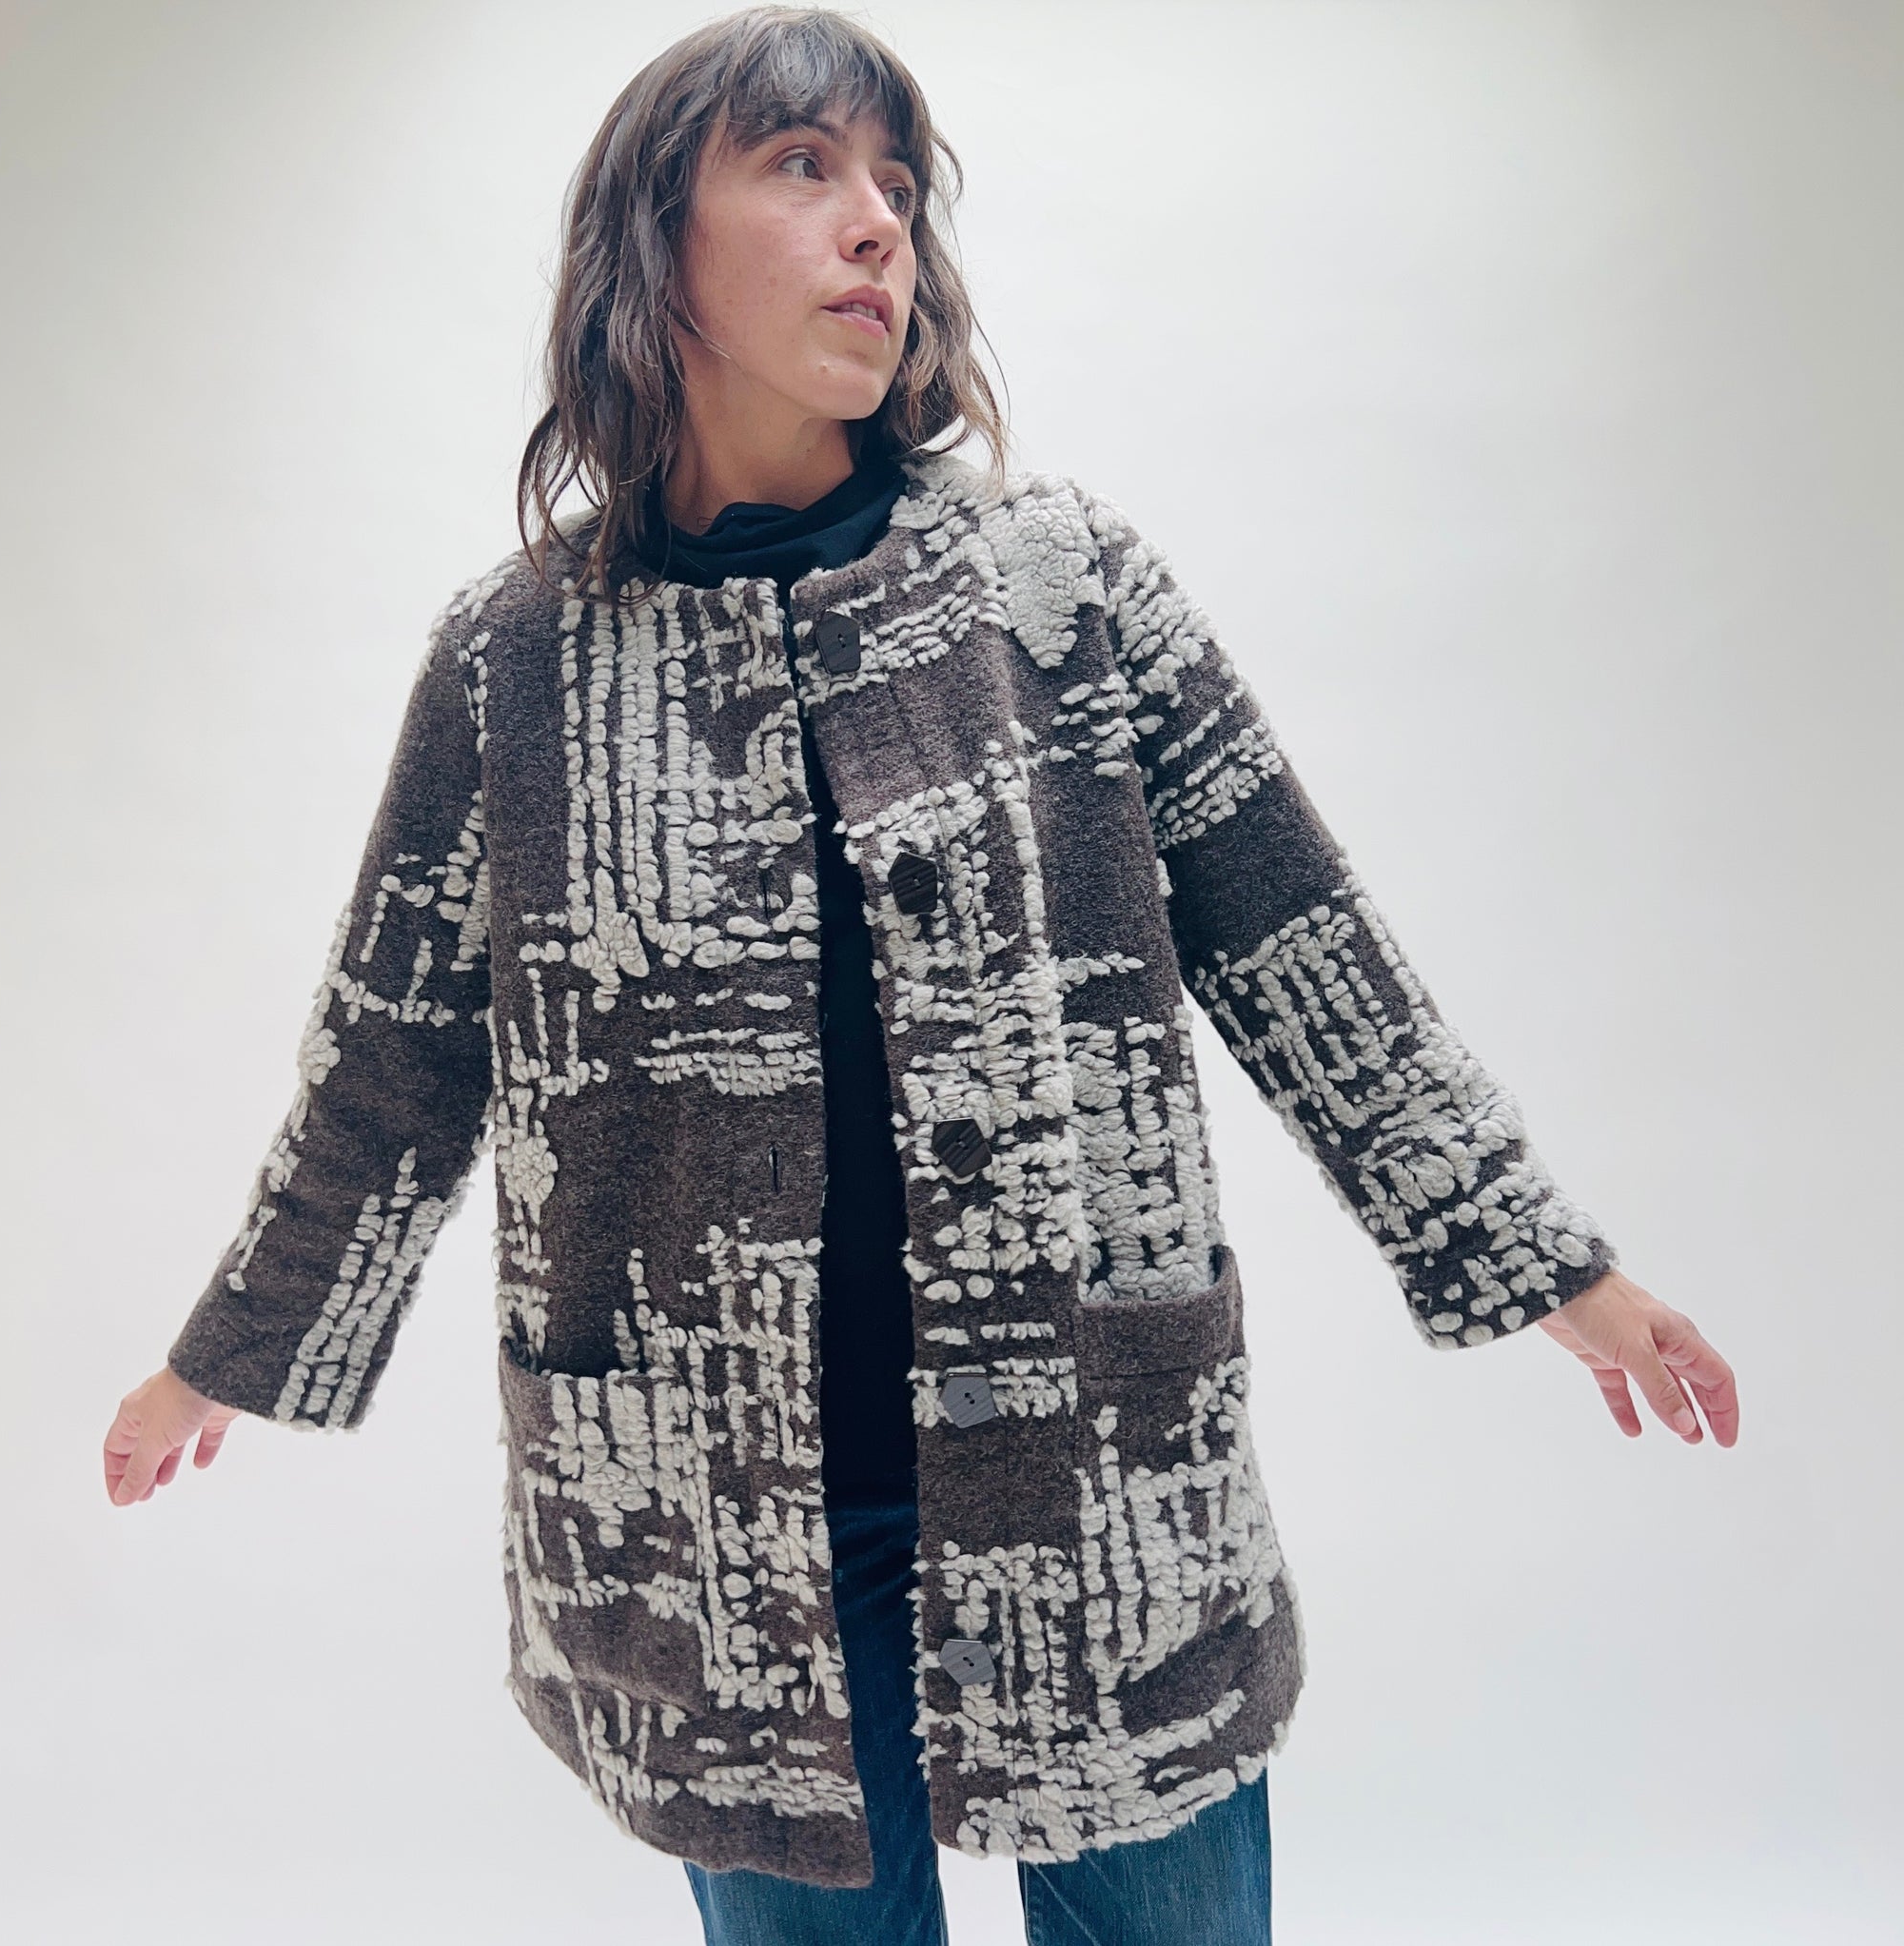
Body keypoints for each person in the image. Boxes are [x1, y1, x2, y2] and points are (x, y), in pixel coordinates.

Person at [104, 10, 1740, 1943]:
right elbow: (395, 1063)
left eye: (897, 184)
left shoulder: (1062, 585)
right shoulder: (513, 664)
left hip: (1094, 1473)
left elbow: (1305, 949)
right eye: (803, 168)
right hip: (709, 1520)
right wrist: (236, 1344)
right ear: (652, 238)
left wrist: (1539, 1259)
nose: (877, 222)